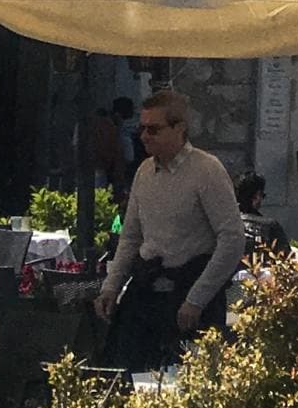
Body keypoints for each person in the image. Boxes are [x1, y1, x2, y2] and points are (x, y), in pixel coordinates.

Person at [97, 87, 247, 372]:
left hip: (189, 291)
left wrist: (197, 299)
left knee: (187, 384)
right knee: (124, 374)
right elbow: (130, 237)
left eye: (153, 129)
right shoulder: (143, 171)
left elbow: (232, 240)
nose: (144, 137)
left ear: (180, 128)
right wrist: (111, 287)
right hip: (146, 289)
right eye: (142, 128)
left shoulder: (206, 170)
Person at [235, 172, 291, 259]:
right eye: (262, 195)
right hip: (259, 271)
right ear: (257, 196)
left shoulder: (224, 224)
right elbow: (287, 259)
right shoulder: (270, 226)